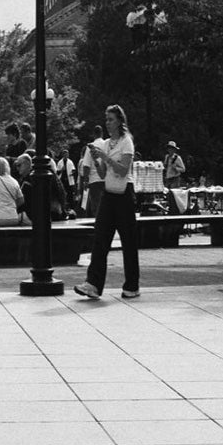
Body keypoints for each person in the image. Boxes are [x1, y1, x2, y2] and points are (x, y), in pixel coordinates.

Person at [75, 104, 140, 301]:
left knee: (128, 242)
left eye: (111, 119)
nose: (108, 123)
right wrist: (97, 160)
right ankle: (93, 283)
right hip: (109, 194)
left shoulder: (126, 142)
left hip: (124, 195)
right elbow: (103, 174)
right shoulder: (106, 144)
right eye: (106, 119)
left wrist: (105, 158)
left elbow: (123, 170)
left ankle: (132, 285)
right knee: (100, 238)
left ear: (120, 121)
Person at [78, 125, 106, 218]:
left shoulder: (90, 146)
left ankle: (98, 226)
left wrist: (85, 181)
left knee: (96, 206)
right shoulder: (107, 144)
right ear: (102, 133)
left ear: (94, 134)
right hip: (107, 180)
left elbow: (86, 165)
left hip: (94, 180)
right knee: (107, 206)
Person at [55, 147, 78, 215]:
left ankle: (71, 208)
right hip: (62, 180)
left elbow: (73, 170)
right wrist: (61, 170)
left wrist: (73, 172)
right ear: (63, 155)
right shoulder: (60, 162)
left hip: (69, 180)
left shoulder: (70, 162)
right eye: (64, 154)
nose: (66, 155)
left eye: (67, 154)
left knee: (70, 194)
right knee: (63, 194)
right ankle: (64, 207)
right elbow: (57, 172)